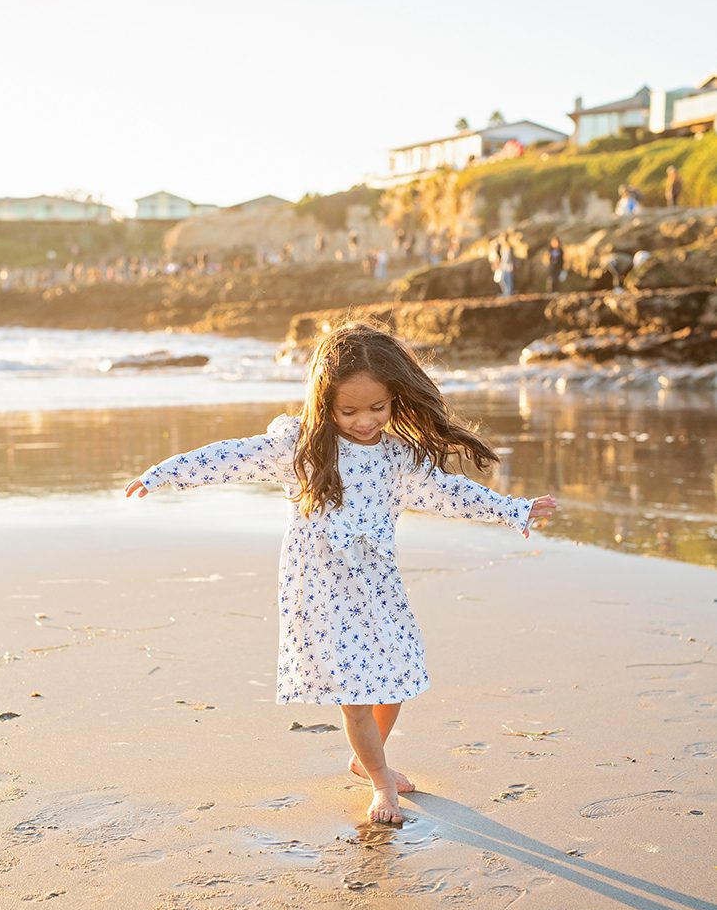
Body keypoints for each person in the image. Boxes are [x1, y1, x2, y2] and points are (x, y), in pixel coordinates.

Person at [125, 322, 556, 825]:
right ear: (323, 403)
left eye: (378, 408)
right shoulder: (302, 450)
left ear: (396, 397)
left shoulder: (398, 458)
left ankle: (367, 757)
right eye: (348, 411)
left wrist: (513, 510)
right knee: (355, 699)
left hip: (378, 589)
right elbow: (229, 457)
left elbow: (449, 494)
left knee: (395, 685)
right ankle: (380, 782)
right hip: (322, 592)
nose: (365, 421)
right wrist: (163, 474)